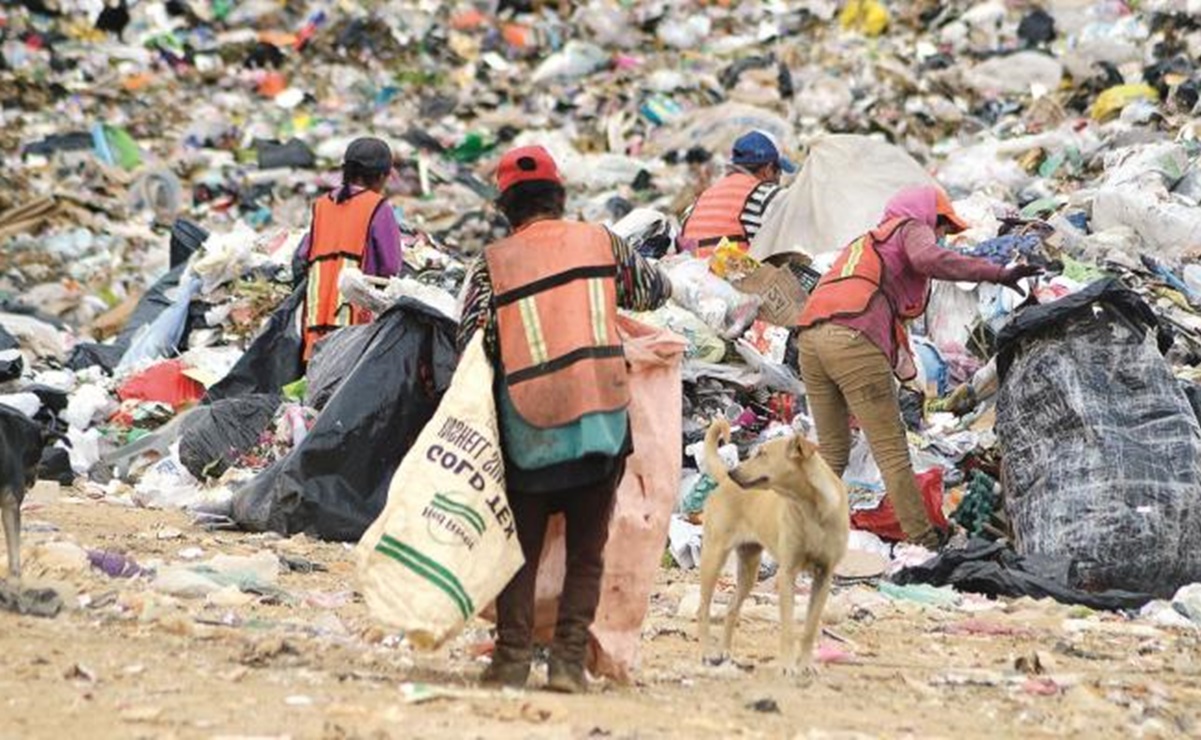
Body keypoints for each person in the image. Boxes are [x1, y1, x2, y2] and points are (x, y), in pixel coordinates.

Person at [458, 145, 671, 693]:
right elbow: (652, 290)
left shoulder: (492, 263)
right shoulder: (600, 241)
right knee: (585, 552)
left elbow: (472, 342)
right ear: (560, 196)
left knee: (520, 552)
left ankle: (509, 659)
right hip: (601, 420)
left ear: (506, 206)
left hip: (528, 429)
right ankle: (568, 664)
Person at [795, 185, 1040, 548]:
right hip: (851, 336)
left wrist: (912, 382)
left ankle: (795, 528)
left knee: (833, 449)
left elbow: (893, 332)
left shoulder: (867, 243)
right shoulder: (911, 227)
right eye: (941, 226)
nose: (940, 236)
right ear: (928, 214)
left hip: (810, 339)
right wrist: (997, 273)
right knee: (891, 451)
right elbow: (930, 259)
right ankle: (923, 540)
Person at [294, 137, 404, 361]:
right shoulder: (378, 207)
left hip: (315, 323)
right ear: (382, 176)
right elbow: (391, 266)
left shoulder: (322, 204)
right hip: (354, 326)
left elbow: (303, 255)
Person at [679, 130, 795, 252]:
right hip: (729, 270)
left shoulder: (702, 199)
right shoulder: (767, 195)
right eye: (779, 171)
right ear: (768, 169)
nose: (780, 177)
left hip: (686, 267)